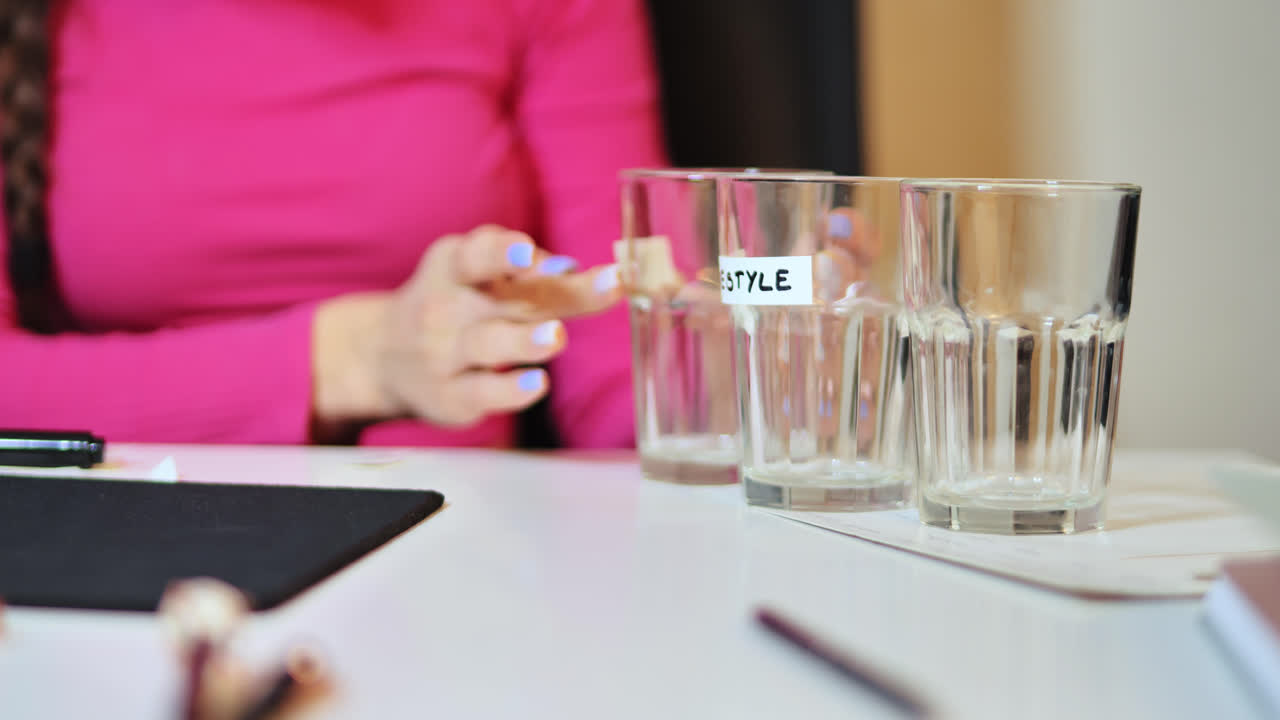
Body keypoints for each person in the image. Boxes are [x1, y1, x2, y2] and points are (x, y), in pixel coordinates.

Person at [0, 0, 666, 448]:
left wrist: (738, 363)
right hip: (114, 540)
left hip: (457, 558)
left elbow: (642, 382)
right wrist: (348, 360)